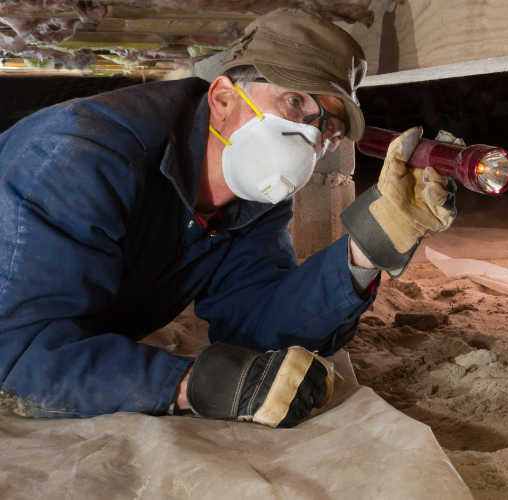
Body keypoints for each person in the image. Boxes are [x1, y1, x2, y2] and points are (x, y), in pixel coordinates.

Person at [0, 9, 456, 428]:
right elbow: (21, 356)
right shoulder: (79, 158)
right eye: (295, 101)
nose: (310, 134)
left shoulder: (254, 201)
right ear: (222, 97)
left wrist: (366, 248)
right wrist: (191, 384)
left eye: (328, 125)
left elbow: (255, 323)